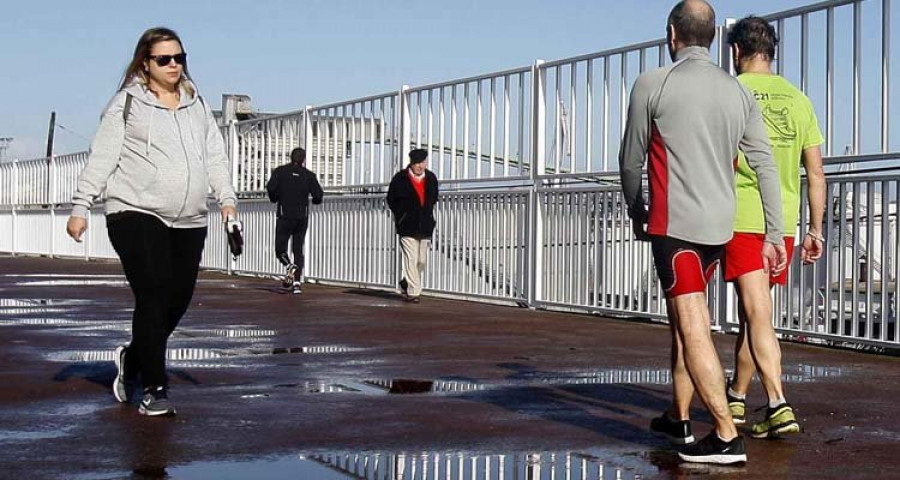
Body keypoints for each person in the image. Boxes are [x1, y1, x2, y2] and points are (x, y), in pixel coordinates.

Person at [619, 0, 787, 464]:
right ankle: (679, 416)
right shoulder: (738, 94)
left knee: (691, 324)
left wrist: (636, 209)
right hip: (721, 227)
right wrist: (775, 231)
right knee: (683, 322)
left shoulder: (652, 83)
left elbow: (631, 162)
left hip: (675, 227)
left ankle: (725, 434)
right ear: (714, 39)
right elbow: (765, 165)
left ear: (671, 34)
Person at [66, 27, 237, 416]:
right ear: (146, 62)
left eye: (179, 57)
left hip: (190, 218)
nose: (174, 65)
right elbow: (103, 157)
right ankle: (154, 389)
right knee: (154, 293)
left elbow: (215, 156)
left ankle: (133, 358)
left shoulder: (195, 103)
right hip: (135, 211)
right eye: (164, 59)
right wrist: (81, 207)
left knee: (177, 301)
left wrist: (227, 200)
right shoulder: (127, 104)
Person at [723, 16, 826, 438]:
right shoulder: (799, 100)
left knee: (757, 313)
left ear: (735, 52)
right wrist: (815, 230)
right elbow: (816, 174)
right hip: (780, 221)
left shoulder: (730, 93)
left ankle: (779, 402)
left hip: (741, 216)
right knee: (755, 314)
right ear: (772, 52)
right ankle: (736, 395)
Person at [266, 147, 324, 294]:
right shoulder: (309, 175)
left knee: (280, 249)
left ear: (291, 157)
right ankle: (297, 283)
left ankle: (288, 265)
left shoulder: (280, 171)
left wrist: (276, 197)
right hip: (301, 217)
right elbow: (318, 195)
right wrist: (313, 201)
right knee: (298, 249)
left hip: (284, 215)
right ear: (303, 159)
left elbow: (271, 189)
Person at [386, 149, 439, 303]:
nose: (420, 166)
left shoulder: (431, 178)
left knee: (421, 260)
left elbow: (433, 198)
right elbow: (391, 199)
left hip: (425, 225)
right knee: (411, 258)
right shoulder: (400, 179)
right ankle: (414, 292)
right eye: (417, 163)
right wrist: (401, 215)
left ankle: (406, 282)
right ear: (411, 163)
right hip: (407, 225)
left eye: (423, 162)